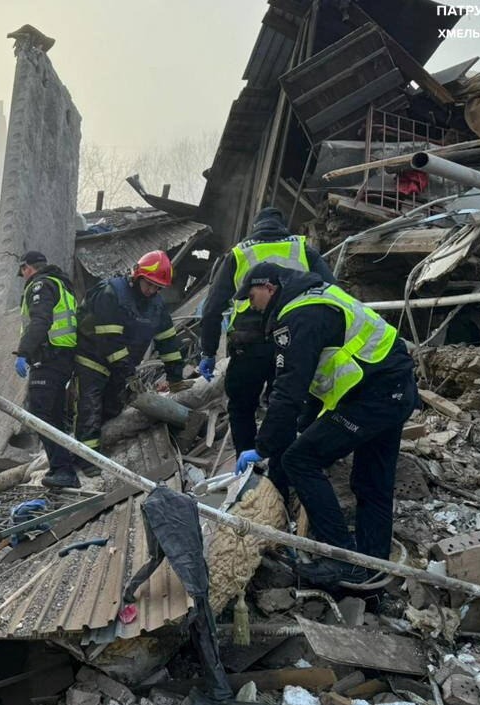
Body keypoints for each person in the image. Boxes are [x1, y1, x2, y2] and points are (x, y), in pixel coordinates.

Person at [232, 264, 418, 589]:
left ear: (269, 287)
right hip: (394, 389)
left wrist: (262, 447)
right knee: (372, 483)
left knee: (298, 459)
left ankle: (340, 558)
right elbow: (318, 380)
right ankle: (371, 569)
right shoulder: (317, 298)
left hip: (373, 396)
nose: (251, 304)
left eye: (251, 295)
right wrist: (304, 426)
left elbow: (289, 389)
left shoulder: (298, 316)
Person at [197, 207, 338, 455]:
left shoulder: (238, 253)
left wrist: (208, 351)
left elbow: (212, 309)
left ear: (255, 227)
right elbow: (332, 290)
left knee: (241, 407)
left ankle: (247, 462)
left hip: (248, 343)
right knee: (285, 404)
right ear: (282, 226)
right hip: (293, 337)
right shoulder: (302, 248)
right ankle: (280, 462)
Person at [72, 250, 184, 478]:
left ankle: (102, 446)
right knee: (90, 407)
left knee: (113, 408)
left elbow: (168, 341)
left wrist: (176, 377)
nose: (152, 291)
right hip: (92, 358)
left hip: (121, 365)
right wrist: (129, 374)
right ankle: (86, 458)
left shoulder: (157, 306)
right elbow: (109, 340)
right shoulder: (111, 293)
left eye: (157, 287)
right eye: (149, 284)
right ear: (137, 276)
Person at [12, 250, 80, 489]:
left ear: (27, 268)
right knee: (54, 415)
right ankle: (62, 466)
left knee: (40, 414)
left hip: (49, 358)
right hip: (63, 357)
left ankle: (63, 470)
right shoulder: (61, 284)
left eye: (22, 271)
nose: (23, 276)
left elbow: (41, 320)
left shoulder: (40, 286)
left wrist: (24, 352)